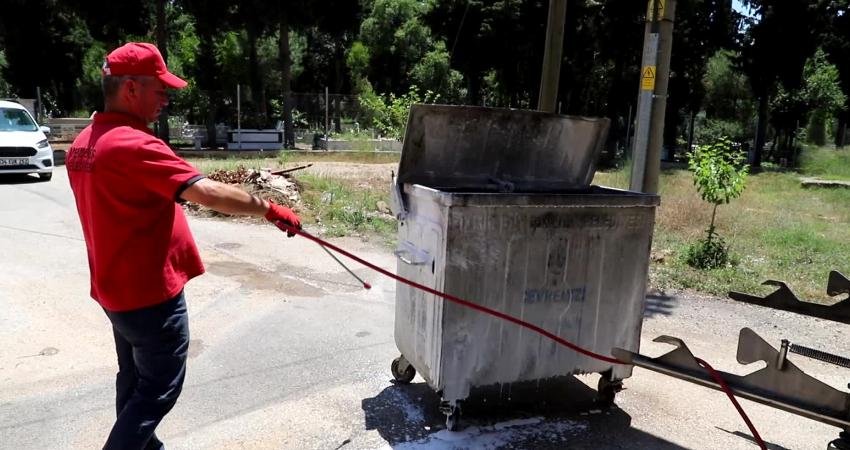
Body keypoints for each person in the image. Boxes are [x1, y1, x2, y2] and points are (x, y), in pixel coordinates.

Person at [66, 42, 301, 450]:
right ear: (131, 90)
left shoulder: (86, 141)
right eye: (160, 89)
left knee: (134, 379)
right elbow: (206, 193)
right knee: (158, 388)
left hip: (113, 290)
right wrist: (268, 209)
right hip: (149, 295)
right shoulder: (134, 145)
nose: (166, 99)